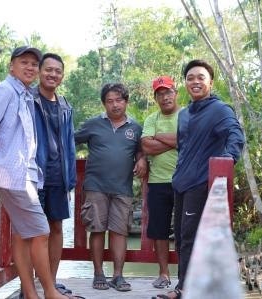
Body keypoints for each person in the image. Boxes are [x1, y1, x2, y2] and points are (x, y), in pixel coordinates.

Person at [0, 46, 84, 299]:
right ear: (12, 66)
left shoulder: (23, 95)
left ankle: (34, 294)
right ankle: (50, 293)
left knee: (28, 233)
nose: (30, 68)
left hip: (28, 175)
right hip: (12, 175)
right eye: (25, 63)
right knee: (40, 232)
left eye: (34, 63)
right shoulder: (3, 91)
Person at [152, 60, 245, 299]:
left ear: (210, 82)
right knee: (182, 238)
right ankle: (187, 287)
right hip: (181, 184)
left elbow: (235, 135)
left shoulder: (220, 110)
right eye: (190, 77)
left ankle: (184, 289)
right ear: (185, 83)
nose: (195, 81)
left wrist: (227, 160)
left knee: (191, 239)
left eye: (201, 77)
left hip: (201, 184)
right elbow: (183, 148)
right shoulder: (184, 114)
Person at [74, 83, 147, 292]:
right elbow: (69, 140)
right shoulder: (93, 124)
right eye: (110, 101)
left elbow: (141, 151)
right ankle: (98, 274)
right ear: (104, 103)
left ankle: (118, 276)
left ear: (126, 101)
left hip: (122, 188)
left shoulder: (136, 128)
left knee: (119, 232)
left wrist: (141, 159)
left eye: (119, 100)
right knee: (97, 230)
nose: (115, 105)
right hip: (96, 186)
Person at [32, 53, 76, 296]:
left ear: (62, 75)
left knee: (56, 228)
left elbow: (69, 144)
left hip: (58, 176)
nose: (52, 74)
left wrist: (70, 179)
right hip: (34, 176)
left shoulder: (65, 106)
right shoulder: (28, 100)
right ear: (40, 71)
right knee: (33, 233)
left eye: (57, 71)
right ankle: (27, 287)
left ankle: (52, 281)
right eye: (48, 69)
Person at [141, 76, 180, 289]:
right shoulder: (151, 119)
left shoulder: (186, 115)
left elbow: (187, 139)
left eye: (168, 92)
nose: (165, 97)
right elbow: (146, 147)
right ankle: (164, 273)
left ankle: (185, 274)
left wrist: (159, 138)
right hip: (157, 182)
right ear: (156, 98)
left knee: (186, 230)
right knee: (159, 229)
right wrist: (175, 140)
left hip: (184, 181)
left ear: (176, 93)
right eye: (160, 94)